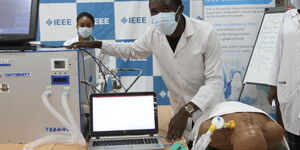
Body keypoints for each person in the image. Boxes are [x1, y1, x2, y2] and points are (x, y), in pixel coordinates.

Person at [69, 0, 224, 143]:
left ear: (179, 9)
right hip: (179, 114)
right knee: (180, 145)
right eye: (154, 11)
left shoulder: (206, 33)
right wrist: (97, 44)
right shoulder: (153, 33)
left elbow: (214, 82)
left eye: (166, 9)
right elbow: (131, 50)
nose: (159, 15)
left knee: (209, 143)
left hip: (207, 111)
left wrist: (186, 111)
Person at [267, 8, 300, 150]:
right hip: (289, 86)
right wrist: (273, 86)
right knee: (292, 136)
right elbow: (278, 52)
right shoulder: (288, 16)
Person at [192, 101, 286, 150]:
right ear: (231, 139)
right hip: (217, 109)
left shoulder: (275, 133)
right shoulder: (212, 133)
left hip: (252, 111)